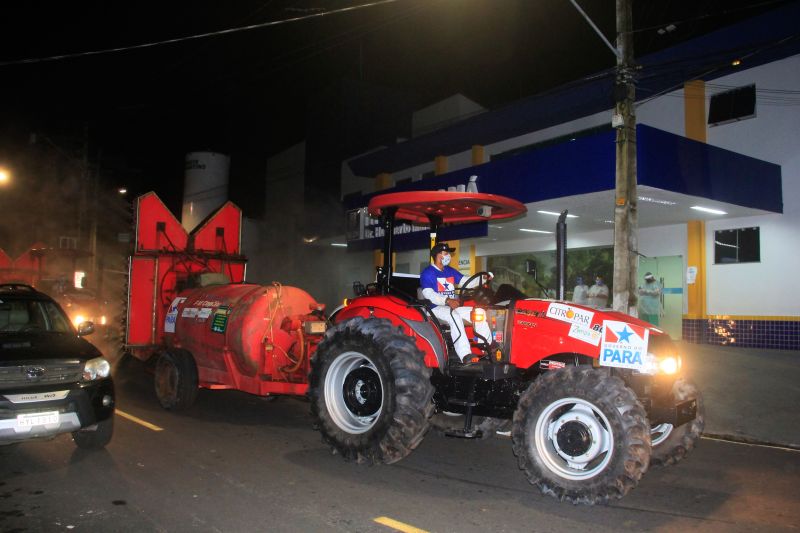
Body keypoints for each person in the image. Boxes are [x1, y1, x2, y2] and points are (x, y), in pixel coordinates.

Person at [420, 242, 494, 362]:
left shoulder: (449, 270)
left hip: (451, 306)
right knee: (454, 316)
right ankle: (465, 354)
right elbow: (428, 294)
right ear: (438, 255)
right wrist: (447, 300)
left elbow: (467, 281)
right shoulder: (427, 273)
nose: (448, 255)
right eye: (446, 253)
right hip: (435, 308)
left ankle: (485, 347)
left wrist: (482, 278)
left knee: (479, 311)